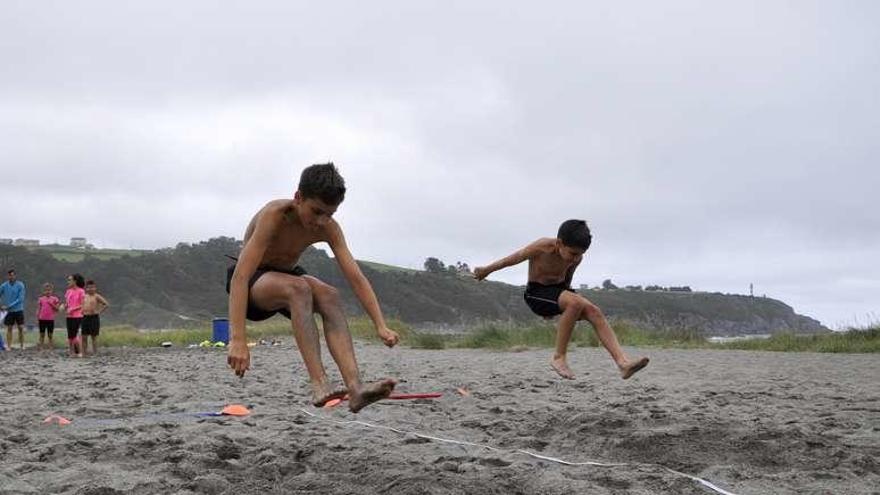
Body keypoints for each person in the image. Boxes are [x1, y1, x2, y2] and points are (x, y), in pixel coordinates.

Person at [226, 163, 398, 413]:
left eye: (329, 213)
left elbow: (356, 278)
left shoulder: (329, 227)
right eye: (316, 211)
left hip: (286, 276)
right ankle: (319, 383)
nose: (321, 221)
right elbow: (240, 277)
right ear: (298, 198)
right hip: (254, 283)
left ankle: (356, 388)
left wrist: (380, 325)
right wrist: (238, 339)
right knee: (299, 288)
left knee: (330, 294)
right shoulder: (274, 215)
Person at [474, 219, 649, 380]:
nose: (575, 258)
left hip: (558, 293)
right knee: (576, 302)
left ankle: (622, 363)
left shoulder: (576, 257)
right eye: (573, 253)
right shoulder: (541, 247)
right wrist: (486, 270)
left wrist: (562, 302)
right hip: (536, 294)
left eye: (579, 255)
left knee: (594, 311)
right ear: (559, 243)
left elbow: (567, 279)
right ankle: (559, 357)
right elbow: (512, 259)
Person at [0, 269, 27, 350]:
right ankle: (9, 346)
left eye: (12, 275)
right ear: (8, 276)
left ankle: (22, 345)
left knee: (21, 327)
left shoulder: (20, 285)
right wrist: (1, 305)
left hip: (18, 309)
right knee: (9, 328)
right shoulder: (4, 285)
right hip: (9, 311)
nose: (11, 277)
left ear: (15, 276)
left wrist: (8, 306)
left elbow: (20, 299)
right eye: (9, 275)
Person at [81, 280, 109, 356]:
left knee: (94, 336)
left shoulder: (96, 296)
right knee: (84, 336)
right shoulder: (84, 296)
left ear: (95, 288)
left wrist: (98, 311)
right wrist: (81, 310)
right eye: (89, 287)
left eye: (92, 287)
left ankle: (95, 353)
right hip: (85, 317)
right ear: (86, 288)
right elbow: (81, 305)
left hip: (94, 317)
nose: (90, 289)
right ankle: (84, 353)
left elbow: (106, 304)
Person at [64, 273, 86, 357]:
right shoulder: (68, 291)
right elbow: (67, 303)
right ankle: (71, 352)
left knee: (76, 335)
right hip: (69, 316)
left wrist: (73, 309)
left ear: (75, 281)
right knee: (70, 335)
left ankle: (80, 352)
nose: (68, 281)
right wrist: (63, 306)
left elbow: (82, 304)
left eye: (70, 280)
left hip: (78, 316)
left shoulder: (81, 291)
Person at [36, 283, 61, 350]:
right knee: (42, 333)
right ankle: (41, 346)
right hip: (42, 318)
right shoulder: (41, 299)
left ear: (52, 291)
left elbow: (57, 309)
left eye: (49, 290)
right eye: (46, 290)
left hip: (50, 319)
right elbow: (39, 308)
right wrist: (37, 315)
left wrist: (52, 304)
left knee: (50, 334)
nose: (48, 292)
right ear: (43, 291)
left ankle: (50, 346)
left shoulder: (55, 299)